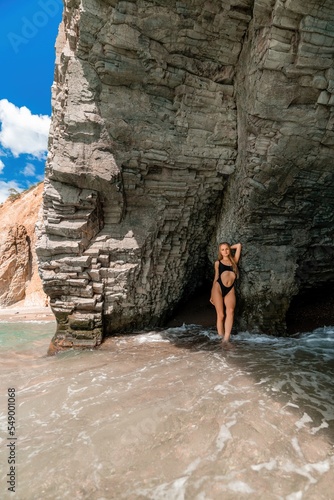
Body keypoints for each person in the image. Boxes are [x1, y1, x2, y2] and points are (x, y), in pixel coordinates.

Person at [210, 242, 242, 343]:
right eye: (222, 250)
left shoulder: (234, 262)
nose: (225, 251)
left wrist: (229, 247)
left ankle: (226, 339)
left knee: (231, 311)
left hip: (230, 289)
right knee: (221, 315)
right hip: (218, 288)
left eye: (227, 249)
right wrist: (212, 294)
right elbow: (215, 278)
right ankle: (220, 337)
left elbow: (239, 246)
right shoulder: (218, 263)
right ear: (220, 252)